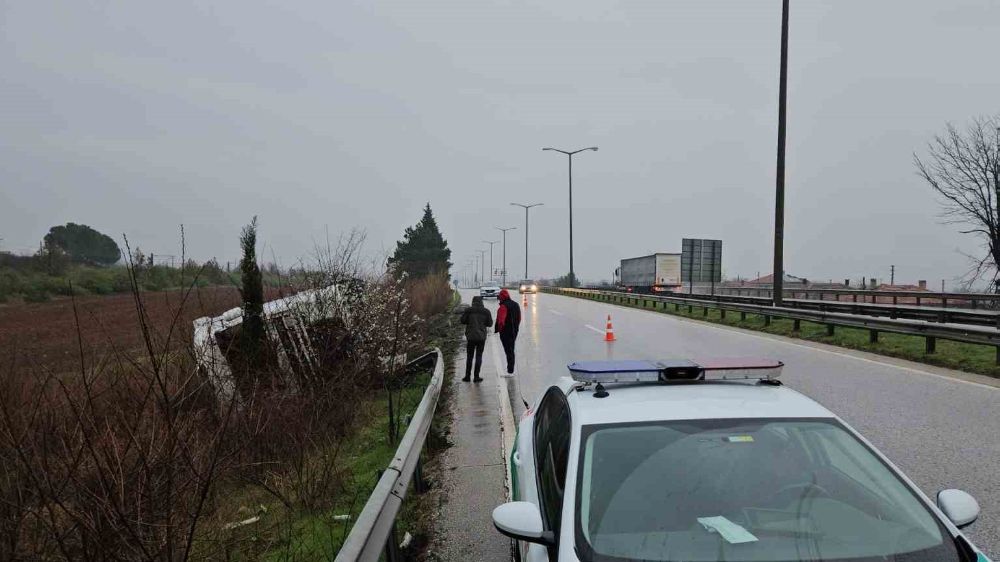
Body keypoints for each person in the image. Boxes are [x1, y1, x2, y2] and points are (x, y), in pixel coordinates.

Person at [460, 296, 492, 382]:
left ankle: (467, 376)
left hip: (470, 336)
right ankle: (476, 377)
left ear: (473, 301)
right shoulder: (486, 311)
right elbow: (490, 324)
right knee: (479, 356)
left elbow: (462, 321)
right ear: (481, 302)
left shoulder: (469, 310)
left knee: (469, 356)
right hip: (481, 337)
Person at [494, 289, 521, 374]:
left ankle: (510, 370)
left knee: (508, 351)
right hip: (514, 330)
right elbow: (519, 318)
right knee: (511, 349)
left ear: (502, 297)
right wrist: (516, 327)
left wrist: (500, 330)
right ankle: (511, 369)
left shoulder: (503, 307)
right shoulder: (516, 305)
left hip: (506, 332)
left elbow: (501, 321)